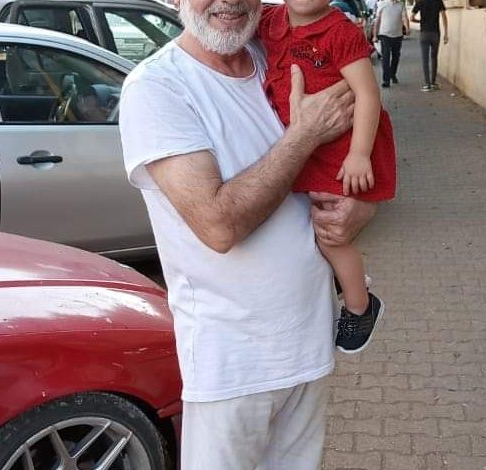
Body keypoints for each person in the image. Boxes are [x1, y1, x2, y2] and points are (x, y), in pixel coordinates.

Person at [118, 0, 377, 467]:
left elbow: (358, 124)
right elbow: (219, 225)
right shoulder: (158, 88)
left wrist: (361, 206)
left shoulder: (276, 48)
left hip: (309, 341)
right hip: (232, 364)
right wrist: (304, 135)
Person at [259, 0, 396, 354]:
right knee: (306, 226)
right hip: (308, 148)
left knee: (331, 235)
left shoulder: (340, 32)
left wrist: (359, 154)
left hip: (339, 153)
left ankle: (360, 307)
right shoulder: (269, 20)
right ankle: (344, 280)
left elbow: (367, 94)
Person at [411, 0, 448, 91]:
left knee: (425, 59)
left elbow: (411, 18)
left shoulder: (420, 2)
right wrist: (446, 33)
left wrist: (420, 21)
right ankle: (433, 83)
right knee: (434, 58)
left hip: (424, 33)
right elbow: (444, 17)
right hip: (435, 33)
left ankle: (427, 84)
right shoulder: (438, 1)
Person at [372, 0, 409, 87]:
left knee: (396, 56)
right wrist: (375, 35)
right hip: (384, 35)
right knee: (386, 57)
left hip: (398, 35)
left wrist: (407, 28)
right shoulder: (382, 4)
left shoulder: (401, 4)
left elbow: (404, 17)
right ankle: (386, 80)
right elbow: (377, 20)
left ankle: (392, 74)